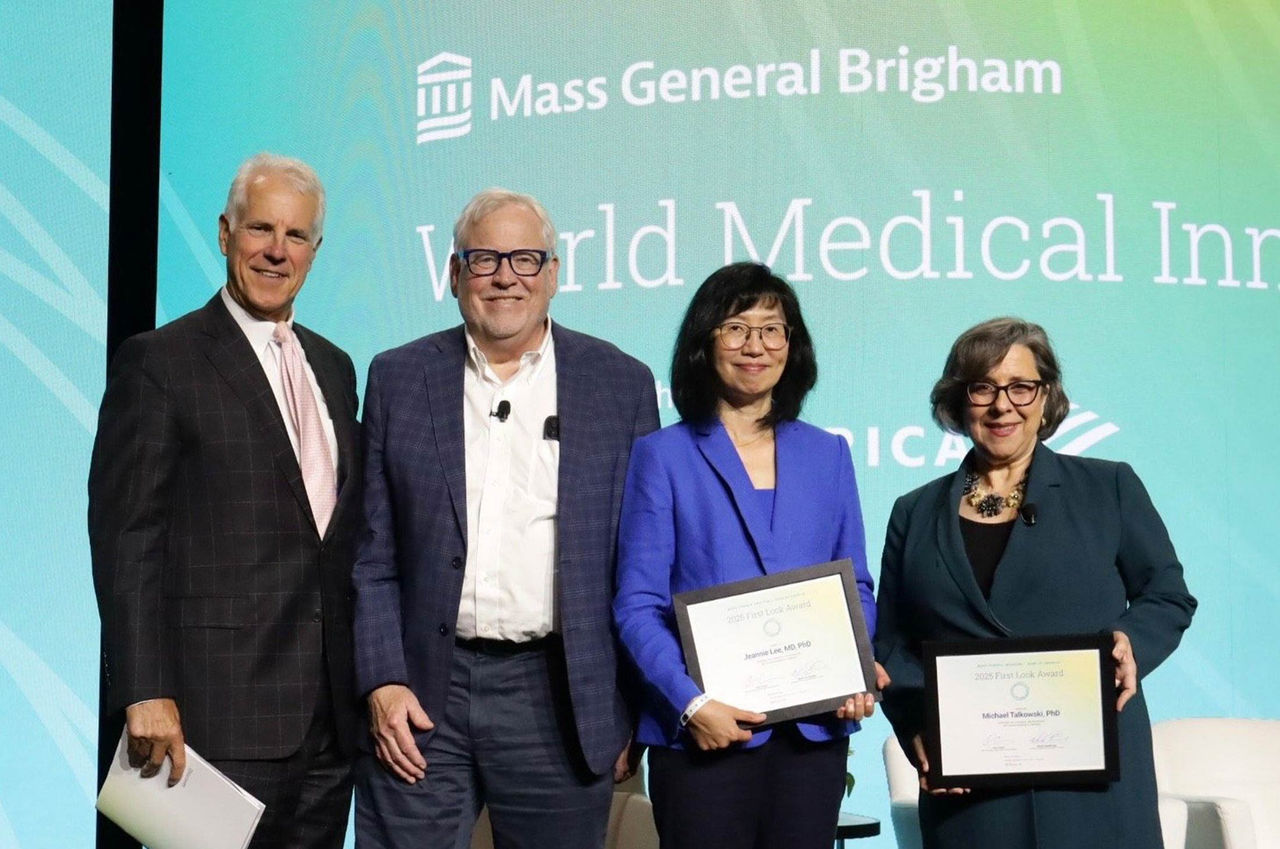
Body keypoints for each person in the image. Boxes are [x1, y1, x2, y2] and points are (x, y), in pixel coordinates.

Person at [352, 188, 660, 849]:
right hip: (422, 691)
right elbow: (373, 553)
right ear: (455, 272)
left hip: (559, 693)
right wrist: (381, 678)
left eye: (524, 258)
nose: (504, 276)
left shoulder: (620, 383)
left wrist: (628, 706)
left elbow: (641, 562)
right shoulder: (398, 377)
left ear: (553, 274)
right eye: (485, 257)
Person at [89, 153, 361, 848]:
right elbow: (127, 535)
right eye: (261, 229)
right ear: (224, 233)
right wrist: (144, 688)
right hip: (214, 720)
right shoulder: (161, 361)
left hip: (329, 728)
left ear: (316, 249)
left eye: (296, 235)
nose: (277, 250)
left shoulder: (334, 366)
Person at [874, 316, 1197, 849]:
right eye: (983, 388)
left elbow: (1166, 593)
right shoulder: (914, 512)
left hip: (1092, 777)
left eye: (1021, 386)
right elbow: (892, 640)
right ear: (959, 402)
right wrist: (916, 729)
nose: (1004, 405)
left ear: (1046, 397)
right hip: (971, 787)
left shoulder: (1108, 485)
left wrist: (1130, 641)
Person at [613, 261, 886, 849]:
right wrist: (691, 704)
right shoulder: (663, 456)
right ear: (705, 342)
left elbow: (856, 587)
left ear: (793, 344)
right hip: (705, 736)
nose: (755, 345)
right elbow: (637, 605)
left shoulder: (828, 454)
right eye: (736, 327)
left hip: (813, 735)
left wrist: (855, 666)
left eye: (772, 329)